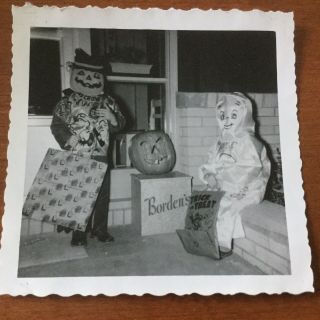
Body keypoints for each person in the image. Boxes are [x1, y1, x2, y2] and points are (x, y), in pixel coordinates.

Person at [51, 48, 125, 246]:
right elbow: (57, 125)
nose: (89, 79)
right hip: (79, 155)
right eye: (83, 74)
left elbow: (122, 124)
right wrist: (68, 139)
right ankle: (78, 233)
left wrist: (113, 119)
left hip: (101, 155)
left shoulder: (108, 101)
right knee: (80, 193)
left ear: (102, 78)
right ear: (75, 74)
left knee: (101, 195)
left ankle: (100, 229)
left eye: (95, 76)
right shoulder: (67, 101)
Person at [199, 92, 270, 257]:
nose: (227, 120)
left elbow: (251, 169)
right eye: (223, 116)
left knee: (226, 204)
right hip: (223, 182)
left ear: (243, 116)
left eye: (233, 116)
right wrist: (209, 174)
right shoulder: (220, 141)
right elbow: (211, 161)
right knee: (204, 199)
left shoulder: (250, 142)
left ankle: (223, 244)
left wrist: (221, 180)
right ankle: (205, 237)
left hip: (247, 186)